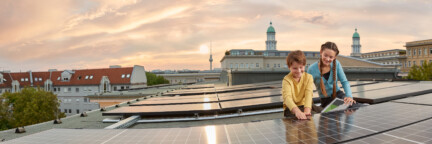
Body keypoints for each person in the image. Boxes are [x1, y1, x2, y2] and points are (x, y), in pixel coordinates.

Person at [307, 41, 357, 109]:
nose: (327, 59)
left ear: (335, 57)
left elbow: (344, 82)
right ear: (321, 52)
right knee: (334, 112)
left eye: (331, 57)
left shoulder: (337, 64)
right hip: (326, 101)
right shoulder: (311, 69)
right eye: (325, 55)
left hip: (339, 96)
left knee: (354, 106)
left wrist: (349, 96)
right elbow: (307, 90)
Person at [282, 50, 315, 120]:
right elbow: (287, 98)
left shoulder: (309, 77)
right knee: (297, 121)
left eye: (301, 67)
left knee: (324, 112)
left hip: (305, 106)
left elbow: (308, 95)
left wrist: (307, 112)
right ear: (289, 67)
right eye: (295, 68)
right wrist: (297, 112)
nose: (299, 71)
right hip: (291, 109)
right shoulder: (286, 80)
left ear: (304, 65)